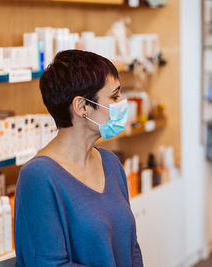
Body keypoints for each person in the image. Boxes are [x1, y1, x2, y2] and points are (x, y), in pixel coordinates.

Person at [14, 50, 143, 267]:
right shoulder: (38, 177)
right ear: (82, 107)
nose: (123, 103)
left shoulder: (110, 163)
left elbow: (131, 247)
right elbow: (49, 264)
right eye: (114, 96)